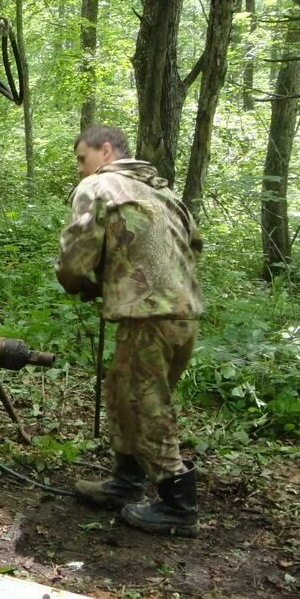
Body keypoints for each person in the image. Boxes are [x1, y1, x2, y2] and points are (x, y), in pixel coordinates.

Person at [55, 125, 204, 537]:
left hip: (147, 315)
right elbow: (194, 245)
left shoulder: (101, 186)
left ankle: (179, 503)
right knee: (125, 391)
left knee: (145, 402)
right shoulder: (163, 193)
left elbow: (74, 259)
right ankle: (127, 481)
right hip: (183, 314)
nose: (81, 170)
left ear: (105, 151)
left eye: (82, 159)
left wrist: (82, 284)